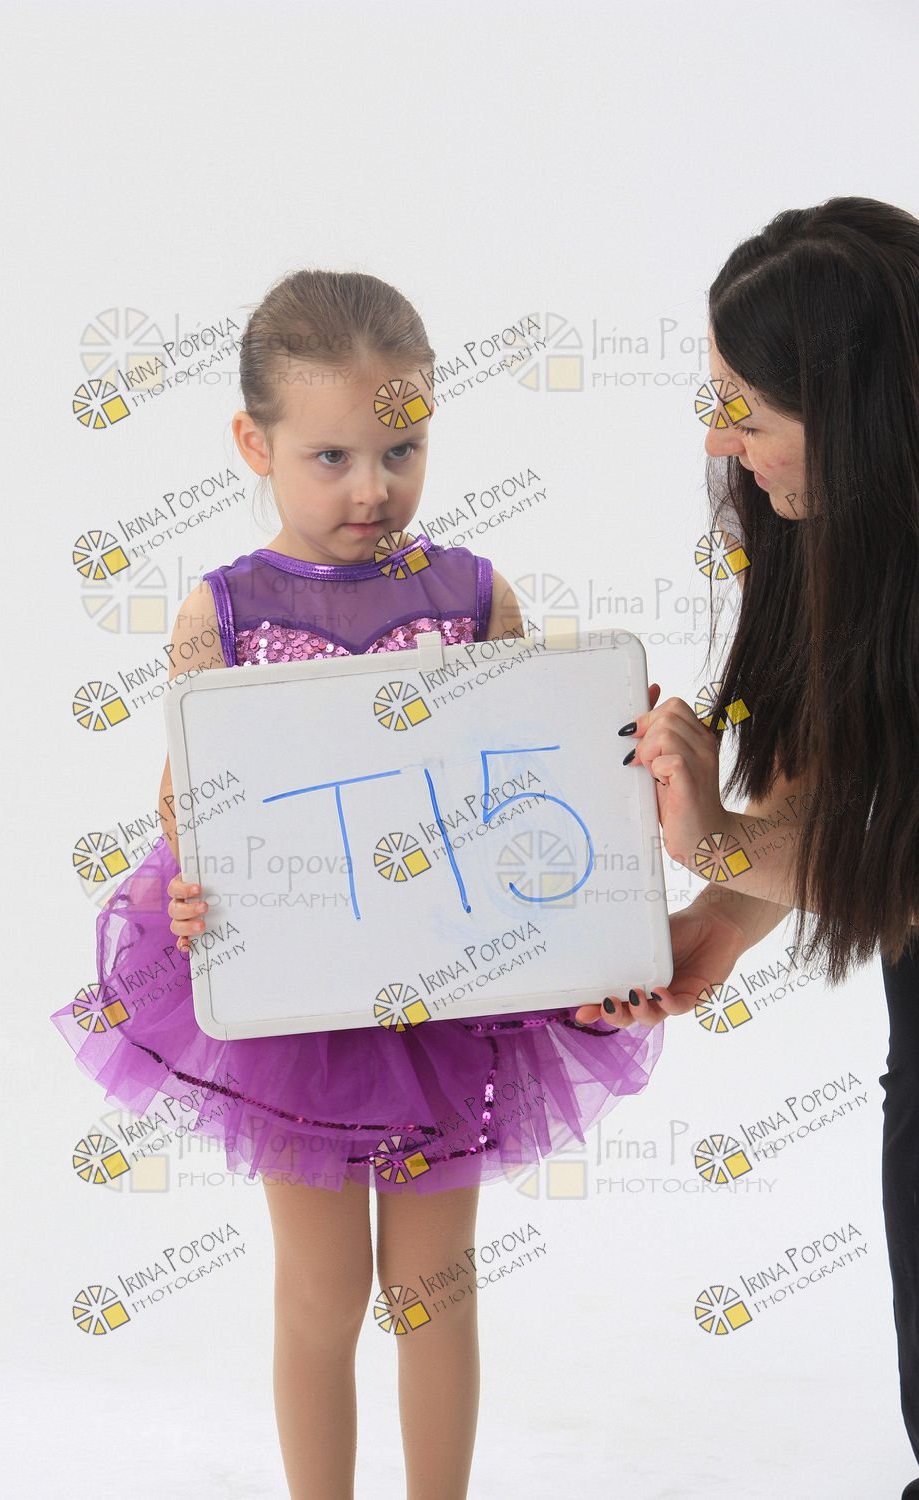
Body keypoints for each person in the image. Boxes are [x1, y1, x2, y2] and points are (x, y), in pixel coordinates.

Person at [50, 268, 662, 1500]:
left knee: (431, 1291)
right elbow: (191, 810)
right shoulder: (222, 612)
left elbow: (528, 782)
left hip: (455, 993)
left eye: (402, 450)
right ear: (254, 444)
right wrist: (190, 896)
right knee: (322, 1293)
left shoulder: (473, 593)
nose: (371, 489)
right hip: (302, 1013)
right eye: (330, 457)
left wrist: (607, 839)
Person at [573, 195, 919, 1498]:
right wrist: (716, 921)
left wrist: (718, 839)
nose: (719, 439)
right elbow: (831, 768)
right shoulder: (825, 526)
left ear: (859, 417)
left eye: (748, 413)